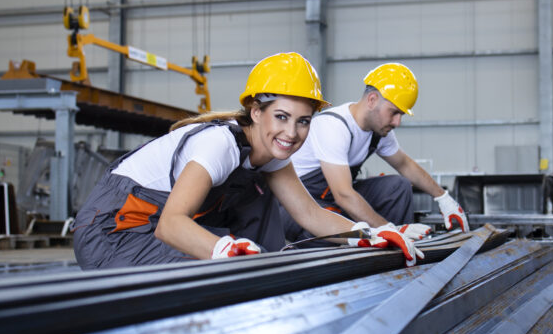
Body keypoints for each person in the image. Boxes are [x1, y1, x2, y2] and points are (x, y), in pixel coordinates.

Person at [72, 52, 422, 270]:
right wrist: (221, 249)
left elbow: (311, 215)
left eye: (303, 121)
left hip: (155, 228)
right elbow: (170, 226)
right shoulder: (219, 144)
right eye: (282, 117)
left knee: (259, 222)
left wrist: (373, 235)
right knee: (217, 273)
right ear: (256, 112)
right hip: (114, 232)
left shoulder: (270, 154)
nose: (292, 133)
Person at [283, 62, 468, 242]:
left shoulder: (378, 132)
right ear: (372, 100)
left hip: (334, 199)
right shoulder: (335, 126)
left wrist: (443, 198)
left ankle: (395, 251)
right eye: (394, 113)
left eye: (401, 115)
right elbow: (344, 194)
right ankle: (388, 238)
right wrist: (389, 228)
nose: (397, 122)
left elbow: (405, 165)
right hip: (300, 204)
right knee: (332, 229)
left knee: (398, 187)